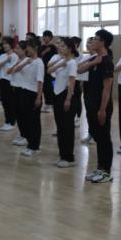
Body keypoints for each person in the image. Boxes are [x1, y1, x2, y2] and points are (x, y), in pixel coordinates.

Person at [80, 30, 115, 183]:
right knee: (98, 138)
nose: (92, 41)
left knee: (104, 138)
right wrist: (93, 62)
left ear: (102, 42)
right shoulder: (95, 58)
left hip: (102, 107)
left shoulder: (107, 62)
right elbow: (78, 69)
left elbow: (107, 88)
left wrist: (102, 109)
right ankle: (100, 168)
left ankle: (106, 172)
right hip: (91, 104)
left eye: (95, 39)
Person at [11, 38, 45, 156]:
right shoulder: (26, 60)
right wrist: (25, 62)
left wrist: (39, 97)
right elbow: (15, 70)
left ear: (35, 48)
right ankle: (30, 143)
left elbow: (40, 81)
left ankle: (34, 146)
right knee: (25, 119)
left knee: (34, 121)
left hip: (33, 93)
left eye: (29, 47)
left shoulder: (39, 62)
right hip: (24, 92)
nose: (27, 49)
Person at [49, 38, 78, 168]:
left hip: (65, 95)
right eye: (59, 46)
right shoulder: (62, 61)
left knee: (67, 128)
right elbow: (49, 71)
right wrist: (60, 64)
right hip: (57, 95)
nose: (60, 48)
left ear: (70, 49)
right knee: (60, 127)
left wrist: (68, 99)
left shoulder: (72, 63)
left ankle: (69, 157)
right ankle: (62, 155)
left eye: (63, 46)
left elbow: (72, 82)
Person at [0, 37, 19, 132]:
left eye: (6, 43)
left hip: (10, 81)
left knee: (11, 102)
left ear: (11, 45)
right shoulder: (2, 55)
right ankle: (7, 121)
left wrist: (9, 59)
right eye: (3, 44)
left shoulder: (15, 56)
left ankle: (12, 122)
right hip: (2, 80)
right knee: (4, 101)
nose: (4, 45)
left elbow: (14, 69)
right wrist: (6, 60)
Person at [39, 30, 57, 112]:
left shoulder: (53, 47)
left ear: (50, 37)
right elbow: (39, 55)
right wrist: (45, 51)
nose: (44, 38)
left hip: (50, 70)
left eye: (46, 36)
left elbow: (55, 58)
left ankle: (51, 104)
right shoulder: (42, 47)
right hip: (42, 69)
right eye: (44, 36)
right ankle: (46, 104)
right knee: (44, 87)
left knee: (49, 87)